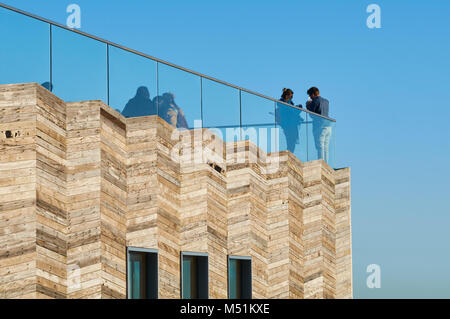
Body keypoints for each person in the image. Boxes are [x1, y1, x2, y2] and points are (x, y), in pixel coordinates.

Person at [305, 87, 332, 164]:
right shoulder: (326, 101)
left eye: (310, 96)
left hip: (320, 126)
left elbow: (312, 115)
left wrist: (308, 107)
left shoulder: (315, 101)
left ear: (313, 94)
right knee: (326, 147)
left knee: (320, 146)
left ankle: (322, 165)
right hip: (328, 125)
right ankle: (326, 164)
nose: (310, 97)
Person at [275, 88, 303, 154]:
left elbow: (293, 112)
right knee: (290, 140)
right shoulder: (281, 102)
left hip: (293, 124)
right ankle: (289, 154)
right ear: (287, 95)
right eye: (291, 96)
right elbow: (289, 110)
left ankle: (290, 153)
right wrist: (296, 108)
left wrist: (298, 109)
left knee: (292, 141)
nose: (292, 98)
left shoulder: (290, 103)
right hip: (287, 124)